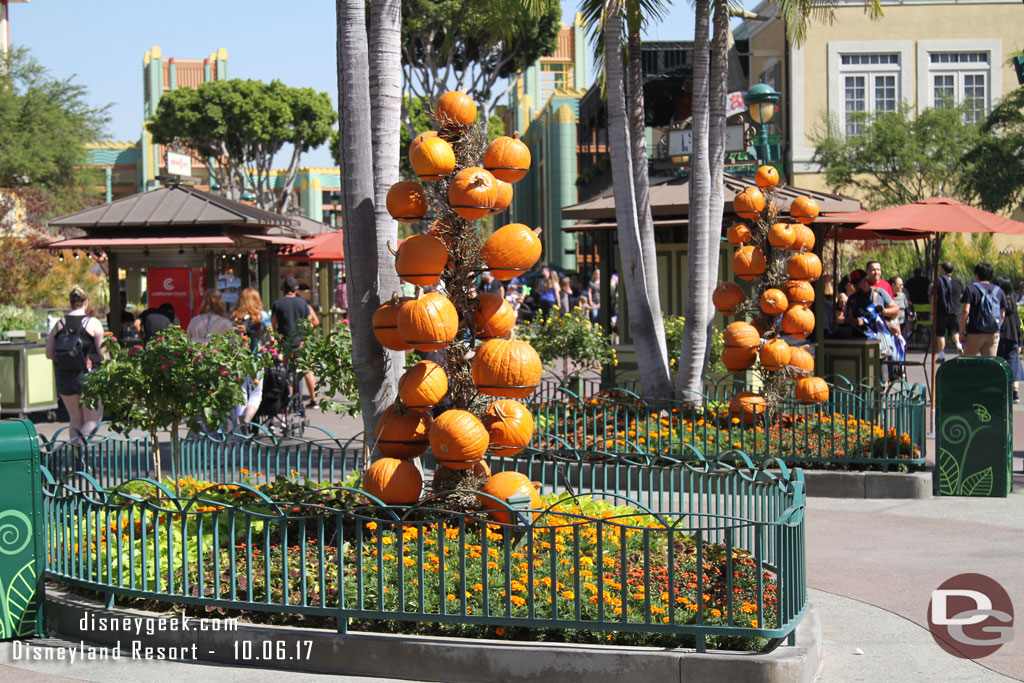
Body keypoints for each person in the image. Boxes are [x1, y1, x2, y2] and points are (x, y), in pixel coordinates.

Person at [45, 285, 106, 443]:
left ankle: (76, 458)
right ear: (86, 301)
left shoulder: (59, 324)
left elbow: (49, 354)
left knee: (75, 420)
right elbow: (103, 354)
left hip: (64, 377)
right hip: (88, 376)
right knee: (92, 419)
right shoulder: (92, 323)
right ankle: (83, 452)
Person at [272, 276, 320, 407]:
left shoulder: (278, 304)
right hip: (302, 343)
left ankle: (289, 400)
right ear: (296, 288)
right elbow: (311, 324)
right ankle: (314, 399)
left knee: (288, 372)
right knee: (307, 371)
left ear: (284, 288)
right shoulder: (303, 304)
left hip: (286, 344)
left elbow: (273, 326)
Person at [844, 269, 902, 371]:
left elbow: (896, 310)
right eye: (853, 283)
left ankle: (884, 385)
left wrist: (882, 311)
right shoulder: (852, 298)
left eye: (857, 283)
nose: (855, 286)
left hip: (879, 341)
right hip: (858, 340)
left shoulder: (879, 293)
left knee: (882, 373)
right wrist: (854, 321)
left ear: (864, 280)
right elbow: (845, 319)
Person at [230, 288, 272, 425]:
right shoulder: (262, 316)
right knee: (255, 394)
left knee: (241, 393)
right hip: (256, 360)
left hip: (238, 360)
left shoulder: (235, 317)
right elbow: (272, 338)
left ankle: (241, 425)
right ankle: (247, 421)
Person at [959, 262, 1007, 357]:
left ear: (977, 275)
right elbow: (1002, 314)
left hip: (974, 332)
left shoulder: (971, 289)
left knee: (967, 363)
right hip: (993, 334)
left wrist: (961, 332)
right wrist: (995, 327)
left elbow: (966, 311)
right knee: (989, 365)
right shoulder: (999, 291)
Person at [994, 277, 1024, 402]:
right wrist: (1020, 341)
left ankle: (1001, 390)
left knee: (999, 362)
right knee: (1014, 363)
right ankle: (1015, 392)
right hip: (1013, 337)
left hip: (1000, 335)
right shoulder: (1014, 301)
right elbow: (1017, 323)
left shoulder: (998, 301)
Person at [932, 261, 965, 362]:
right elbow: (961, 295)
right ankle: (958, 345)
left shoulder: (938, 281)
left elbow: (934, 297)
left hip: (942, 311)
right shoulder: (958, 281)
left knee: (940, 334)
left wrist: (932, 312)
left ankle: (942, 356)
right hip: (955, 311)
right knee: (954, 331)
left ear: (942, 269)